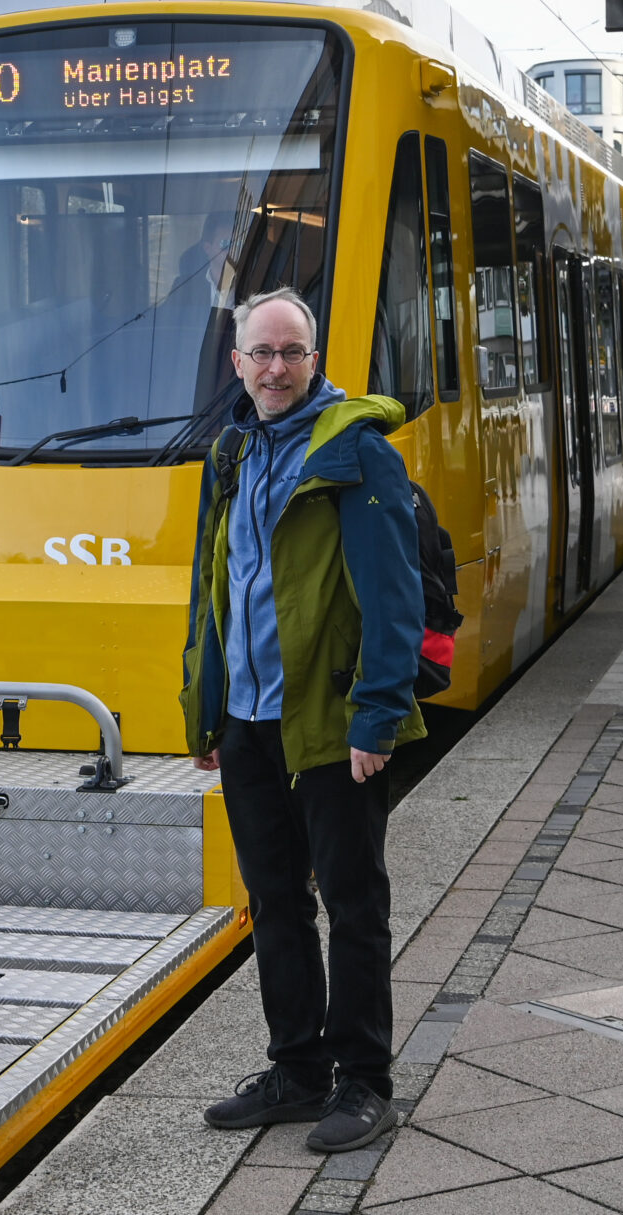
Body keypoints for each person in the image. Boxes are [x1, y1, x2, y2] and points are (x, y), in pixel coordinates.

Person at [183, 287, 426, 1155]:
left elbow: (393, 598)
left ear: (314, 359)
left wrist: (378, 716)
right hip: (249, 721)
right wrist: (205, 708)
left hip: (328, 721)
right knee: (274, 903)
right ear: (239, 362)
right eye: (261, 352)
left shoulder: (356, 454)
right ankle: (297, 1070)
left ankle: (364, 1082)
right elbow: (212, 591)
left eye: (292, 351)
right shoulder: (233, 452)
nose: (276, 367)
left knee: (355, 904)